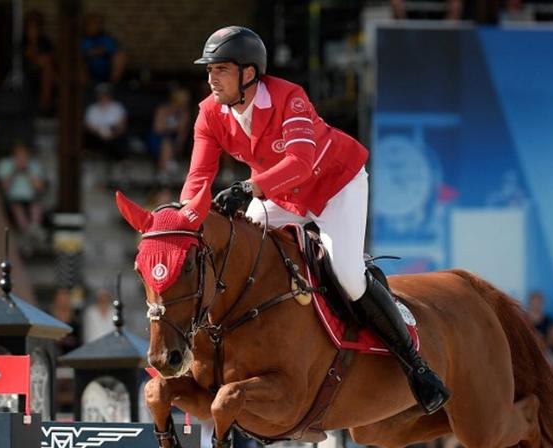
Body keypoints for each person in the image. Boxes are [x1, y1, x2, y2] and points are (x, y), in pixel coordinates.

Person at [180, 26, 450, 414]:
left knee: (347, 274)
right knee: (243, 256)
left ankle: (416, 366)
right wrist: (187, 216)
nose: (211, 79)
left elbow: (301, 164)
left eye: (220, 69)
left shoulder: (290, 98)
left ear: (249, 74)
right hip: (280, 196)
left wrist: (248, 188)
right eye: (209, 70)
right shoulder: (210, 112)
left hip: (335, 186)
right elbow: (199, 176)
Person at [0, 143, 46, 236]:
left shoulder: (34, 165)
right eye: (19, 155)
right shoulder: (5, 164)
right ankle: (25, 230)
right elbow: (4, 187)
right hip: (12, 199)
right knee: (17, 208)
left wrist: (27, 171)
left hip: (31, 199)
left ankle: (34, 228)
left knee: (36, 206)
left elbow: (39, 188)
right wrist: (15, 170)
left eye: (24, 155)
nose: (21, 158)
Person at [149, 86, 191, 181]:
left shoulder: (184, 113)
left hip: (173, 138)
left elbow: (182, 131)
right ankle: (165, 168)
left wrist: (179, 142)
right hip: (157, 137)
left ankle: (166, 167)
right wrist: (173, 127)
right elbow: (158, 128)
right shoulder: (163, 109)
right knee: (166, 143)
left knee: (170, 142)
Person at [84, 83, 128, 160]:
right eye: (101, 95)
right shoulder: (92, 108)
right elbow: (88, 126)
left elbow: (122, 126)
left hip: (114, 136)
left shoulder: (118, 107)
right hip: (96, 136)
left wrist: (112, 135)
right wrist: (100, 133)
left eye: (106, 94)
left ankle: (121, 160)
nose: (103, 97)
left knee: (120, 141)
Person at [80, 13, 126, 86]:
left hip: (106, 69)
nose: (96, 26)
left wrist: (94, 52)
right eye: (93, 24)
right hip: (88, 71)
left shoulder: (106, 38)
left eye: (98, 24)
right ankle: (86, 88)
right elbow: (81, 53)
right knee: (77, 61)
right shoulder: (82, 40)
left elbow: (113, 50)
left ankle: (113, 85)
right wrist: (97, 52)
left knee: (120, 56)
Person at [23, 10, 55, 110]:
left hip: (45, 72)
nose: (34, 29)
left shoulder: (45, 40)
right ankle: (45, 102)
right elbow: (27, 55)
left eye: (36, 26)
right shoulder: (23, 40)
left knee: (49, 69)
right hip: (29, 72)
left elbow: (51, 56)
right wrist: (33, 41)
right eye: (31, 26)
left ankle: (45, 101)